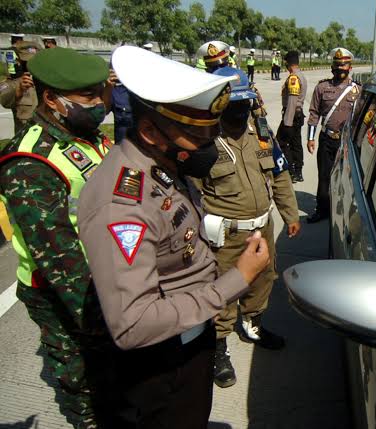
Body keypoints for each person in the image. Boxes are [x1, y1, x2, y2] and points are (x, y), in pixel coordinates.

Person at [77, 45, 271, 428]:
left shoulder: (161, 164)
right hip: (160, 364)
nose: (211, 142)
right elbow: (133, 323)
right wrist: (238, 279)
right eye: (199, 133)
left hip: (187, 341)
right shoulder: (122, 206)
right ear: (150, 130)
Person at [0, 47, 116, 429]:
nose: (101, 102)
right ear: (52, 99)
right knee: (80, 375)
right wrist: (111, 318)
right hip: (66, 289)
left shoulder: (89, 138)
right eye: (89, 96)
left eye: (102, 92)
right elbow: (60, 259)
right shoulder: (31, 162)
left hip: (106, 276)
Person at [200, 67, 300, 387]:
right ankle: (218, 347)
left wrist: (291, 214)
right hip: (226, 235)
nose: (241, 112)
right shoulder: (204, 141)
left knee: (262, 280)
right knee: (225, 291)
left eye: (245, 105)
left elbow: (280, 175)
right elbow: (190, 193)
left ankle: (254, 326)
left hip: (262, 227)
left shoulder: (261, 131)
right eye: (234, 106)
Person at [306, 47, 361, 223]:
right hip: (327, 139)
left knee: (348, 180)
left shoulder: (358, 90)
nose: (340, 70)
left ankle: (345, 213)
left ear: (350, 67)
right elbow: (314, 114)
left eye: (344, 66)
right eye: (337, 66)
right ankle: (322, 209)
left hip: (347, 142)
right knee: (324, 176)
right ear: (332, 67)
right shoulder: (322, 87)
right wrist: (310, 138)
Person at [277, 50, 307, 183]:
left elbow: (292, 101)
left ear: (289, 64)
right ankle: (299, 172)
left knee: (282, 142)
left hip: (291, 115)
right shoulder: (302, 76)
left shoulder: (294, 78)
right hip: (298, 114)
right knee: (296, 143)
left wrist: (287, 122)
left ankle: (291, 171)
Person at [0, 41, 40, 134]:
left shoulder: (46, 79)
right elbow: (5, 102)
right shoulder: (12, 83)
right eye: (27, 61)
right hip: (25, 138)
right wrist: (20, 89)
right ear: (17, 61)